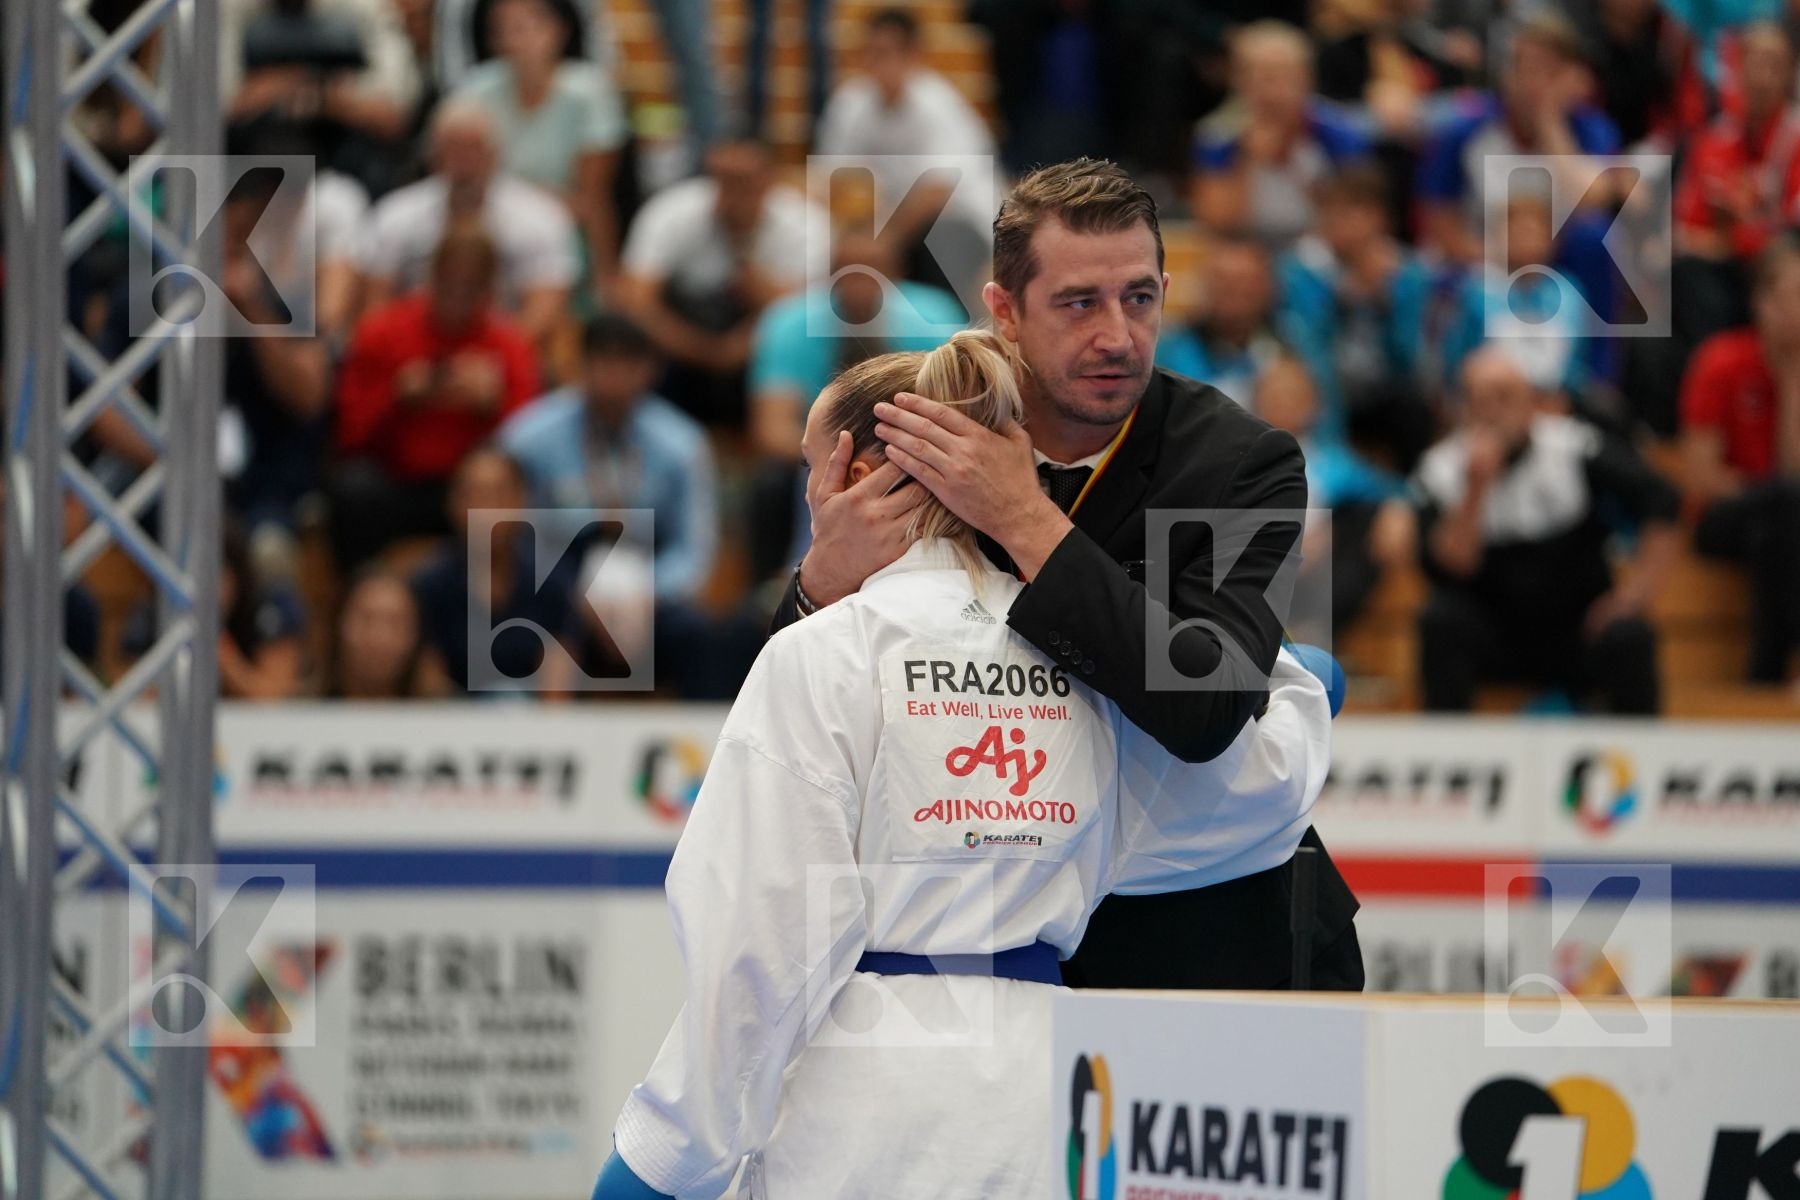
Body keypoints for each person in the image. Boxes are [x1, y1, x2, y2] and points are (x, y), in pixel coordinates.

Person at [592, 332, 1335, 1199]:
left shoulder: (822, 655)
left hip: (866, 1102)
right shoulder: (1085, 653)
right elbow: (1241, 798)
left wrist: (668, 1155)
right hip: (1047, 1096)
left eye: (810, 468)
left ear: (858, 471)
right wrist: (1295, 689)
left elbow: (762, 944)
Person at [776, 158, 1364, 992]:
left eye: (1140, 299)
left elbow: (1203, 708)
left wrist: (1022, 516)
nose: (1117, 336)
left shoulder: (1244, 464)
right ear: (1005, 311)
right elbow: (797, 698)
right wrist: (819, 582)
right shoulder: (929, 435)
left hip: (1223, 935)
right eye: (1079, 303)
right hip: (996, 945)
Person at [1414, 347, 1681, 712]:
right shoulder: (1440, 470)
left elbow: (1662, 499)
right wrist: (1476, 488)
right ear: (1464, 408)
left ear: (1531, 402)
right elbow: (1452, 566)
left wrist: (1632, 596)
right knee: (1441, 621)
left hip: (1576, 628)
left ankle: (1641, 760)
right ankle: (1448, 755)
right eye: (1481, 400)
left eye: (1505, 397)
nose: (1493, 411)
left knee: (1630, 636)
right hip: (1495, 633)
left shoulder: (1575, 447)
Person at [331, 227, 539, 573]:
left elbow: (529, 449)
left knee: (509, 497)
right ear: (432, 278)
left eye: (470, 290)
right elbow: (348, 435)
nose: (457, 300)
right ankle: (362, 594)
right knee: (354, 488)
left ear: (489, 290)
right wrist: (397, 398)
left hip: (470, 490)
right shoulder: (382, 331)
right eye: (449, 285)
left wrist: (493, 406)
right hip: (397, 482)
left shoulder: (509, 345)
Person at [615, 136, 827, 426]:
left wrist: (744, 249)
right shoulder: (669, 212)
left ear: (770, 178)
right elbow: (636, 301)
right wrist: (705, 351)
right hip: (681, 341)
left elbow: (800, 313)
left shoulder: (805, 223)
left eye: (744, 180)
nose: (733, 190)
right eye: (724, 178)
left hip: (757, 339)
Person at [357, 100, 578, 352]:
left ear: (496, 153)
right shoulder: (395, 215)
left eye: (473, 148)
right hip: (411, 352)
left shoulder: (541, 217)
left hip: (505, 351)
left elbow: (545, 309)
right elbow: (376, 308)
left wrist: (498, 356)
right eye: (452, 148)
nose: (463, 160)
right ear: (433, 156)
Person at [1679, 233, 1800, 686]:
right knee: (1784, 509)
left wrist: (1791, 376)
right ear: (1762, 302)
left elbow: (1794, 473)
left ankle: (1764, 677)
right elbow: (1701, 479)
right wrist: (1770, 494)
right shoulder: (1721, 360)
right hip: (1721, 518)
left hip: (1780, 521)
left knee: (1782, 524)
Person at [451, 0, 628, 299]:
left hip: (567, 231)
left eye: (526, 27)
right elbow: (460, 172)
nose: (516, 39)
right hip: (491, 228)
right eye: (503, 30)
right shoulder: (476, 89)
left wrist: (606, 280)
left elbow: (590, 199)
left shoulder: (590, 92)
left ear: (559, 31)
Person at [1191, 20, 1373, 252]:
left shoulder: (1339, 132)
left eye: (1285, 77)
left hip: (1323, 246)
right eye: (1264, 78)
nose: (1273, 92)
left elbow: (1354, 219)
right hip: (1249, 248)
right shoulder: (1218, 135)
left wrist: (1289, 163)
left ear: (1307, 79)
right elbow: (1217, 223)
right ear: (1240, 81)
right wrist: (1248, 160)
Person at [327, 569, 450, 698]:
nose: (379, 638)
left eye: (395, 623)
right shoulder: (307, 703)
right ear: (338, 623)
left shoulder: (453, 712)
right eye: (366, 619)